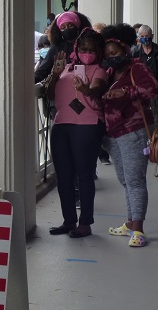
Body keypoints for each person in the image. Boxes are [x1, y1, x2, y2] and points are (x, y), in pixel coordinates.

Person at [101, 23, 158, 248]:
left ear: (126, 50)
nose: (111, 57)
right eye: (107, 54)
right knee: (125, 181)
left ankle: (139, 229)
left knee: (135, 181)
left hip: (133, 131)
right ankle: (129, 223)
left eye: (115, 53)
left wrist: (126, 92)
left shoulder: (137, 68)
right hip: (113, 134)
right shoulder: (107, 72)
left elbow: (153, 89)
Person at [48, 28, 107, 239]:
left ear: (98, 51)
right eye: (83, 49)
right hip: (62, 125)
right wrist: (55, 75)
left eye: (91, 50)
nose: (87, 53)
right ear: (77, 48)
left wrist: (87, 90)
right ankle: (69, 220)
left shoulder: (98, 70)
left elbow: (98, 89)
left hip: (88, 126)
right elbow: (49, 94)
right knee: (63, 177)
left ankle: (85, 223)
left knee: (84, 175)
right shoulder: (67, 68)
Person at [34, 11, 92, 83]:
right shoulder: (57, 47)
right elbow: (42, 71)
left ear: (78, 26)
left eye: (70, 25)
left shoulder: (88, 44)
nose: (67, 29)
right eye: (63, 27)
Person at [132, 25, 158, 126]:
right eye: (142, 36)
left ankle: (157, 139)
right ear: (139, 37)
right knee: (143, 117)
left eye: (147, 36)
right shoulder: (135, 52)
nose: (145, 38)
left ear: (152, 36)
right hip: (141, 90)